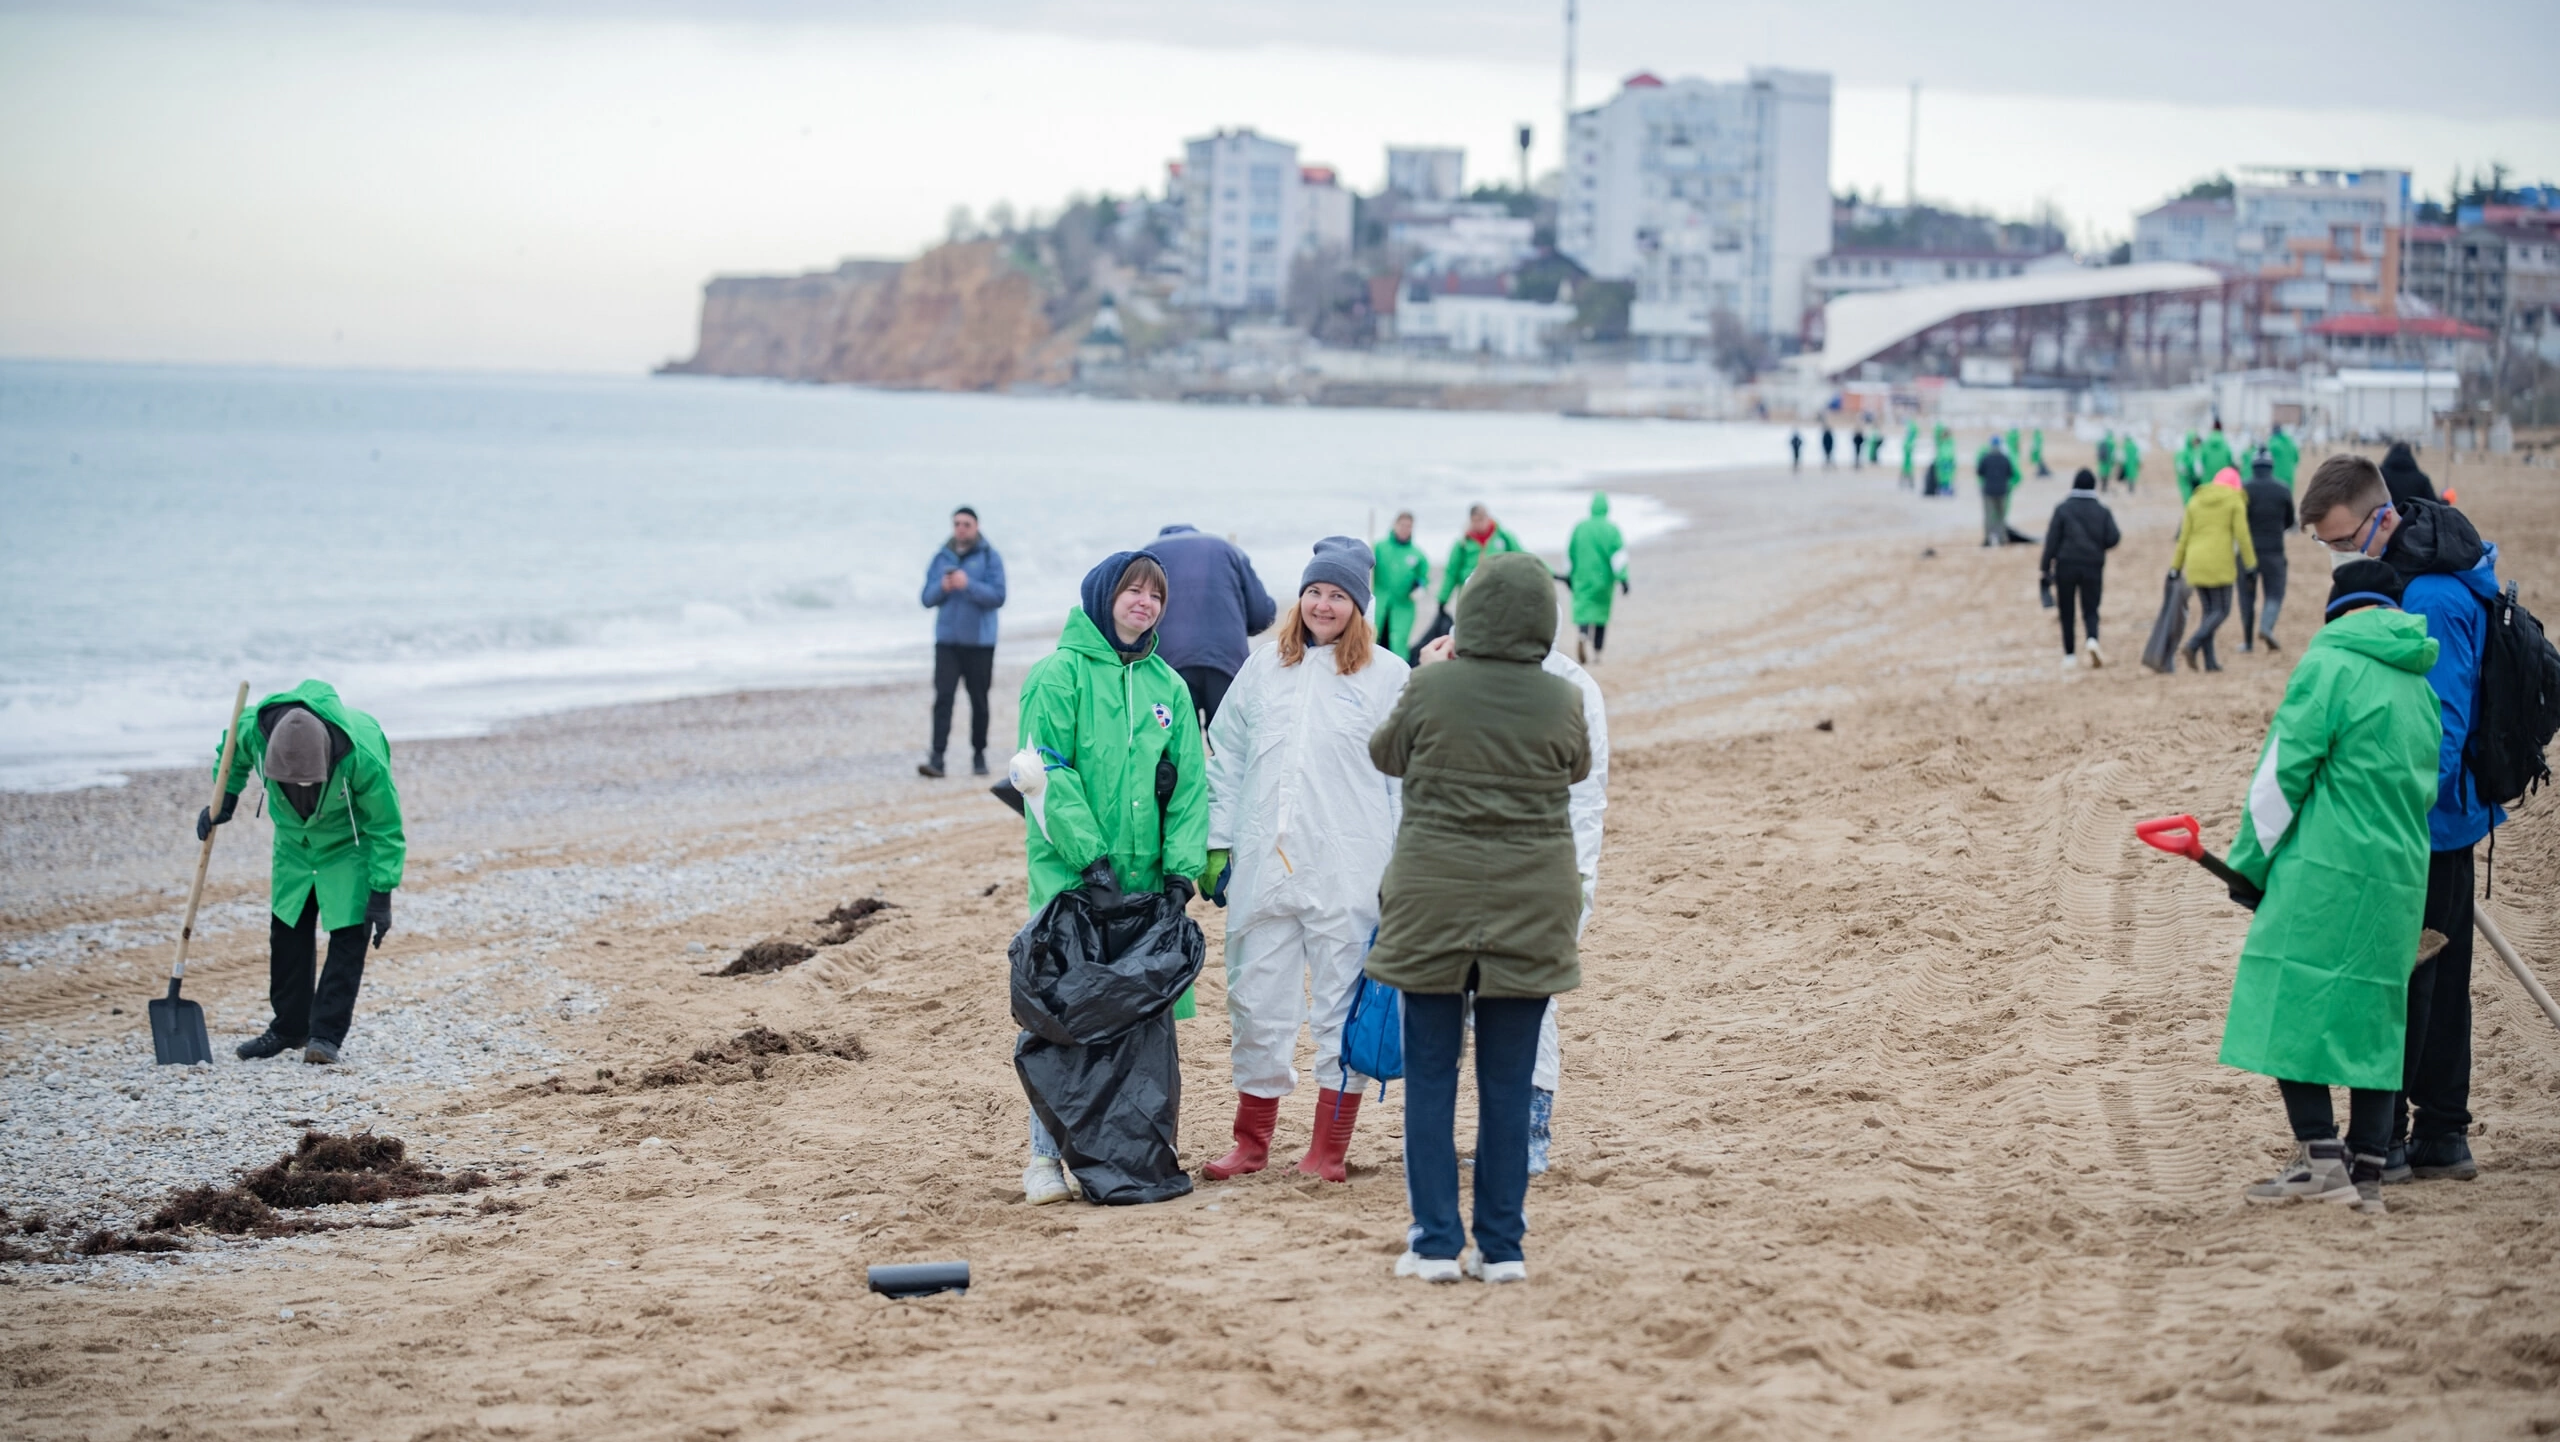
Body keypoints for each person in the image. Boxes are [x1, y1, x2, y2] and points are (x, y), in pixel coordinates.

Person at [1369, 553, 1589, 1284]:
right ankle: (1501, 1248)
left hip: (1433, 900)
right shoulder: (1562, 699)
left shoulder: (1431, 685)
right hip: (1531, 904)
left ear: (1468, 615)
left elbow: (1385, 753)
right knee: (1506, 1078)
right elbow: (1577, 766)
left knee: (1431, 1078)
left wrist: (1431, 667)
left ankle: (1434, 1242)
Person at [2300, 453, 2504, 1185]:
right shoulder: (2418, 574)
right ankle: (2433, 1136)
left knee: (2415, 983)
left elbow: (2439, 729)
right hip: (2429, 819)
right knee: (2430, 978)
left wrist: (2400, 815)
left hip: (2427, 822)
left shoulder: (2433, 596)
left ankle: (2413, 1138)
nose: (2342, 554)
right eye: (2328, 545)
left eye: (2344, 538)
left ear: (2383, 516)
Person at [2224, 559, 2441, 1216]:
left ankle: (2321, 1155)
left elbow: (2280, 777)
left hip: (2326, 870)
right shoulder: (2419, 684)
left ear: (2338, 611)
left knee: (2287, 992)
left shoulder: (2329, 666)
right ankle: (2370, 1164)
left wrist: (2247, 868)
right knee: (2377, 1013)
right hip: (2400, 872)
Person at [1200, 539, 1409, 1185]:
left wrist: (1405, 870)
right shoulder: (1264, 667)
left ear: (1358, 606)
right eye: (1316, 591)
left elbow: (1408, 779)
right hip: (1264, 866)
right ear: (1301, 596)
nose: (1323, 604)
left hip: (1350, 869)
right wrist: (1218, 842)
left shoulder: (1387, 676)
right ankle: (1252, 1141)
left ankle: (1328, 1149)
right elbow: (1227, 755)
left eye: (1338, 595)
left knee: (1341, 1007)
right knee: (1256, 1003)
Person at [1013, 550, 1210, 1205]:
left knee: (1138, 1015)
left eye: (1156, 594)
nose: (1145, 602)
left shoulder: (1168, 688)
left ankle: (1131, 1149)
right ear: (1105, 596)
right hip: (1074, 878)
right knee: (1062, 1012)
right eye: (1133, 590)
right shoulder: (1057, 676)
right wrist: (1089, 858)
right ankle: (1045, 1161)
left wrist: (1181, 873)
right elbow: (1045, 771)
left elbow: (1188, 788)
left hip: (1145, 881)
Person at [199, 681, 406, 1066]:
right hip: (293, 845)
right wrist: (224, 797)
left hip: (348, 843)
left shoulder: (362, 753)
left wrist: (382, 892)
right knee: (288, 929)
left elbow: (385, 826)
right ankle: (289, 1027)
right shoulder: (254, 730)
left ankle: (325, 1036)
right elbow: (230, 752)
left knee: (348, 932)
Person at [1147, 523, 1276, 728]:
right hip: (1227, 662)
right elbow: (1262, 615)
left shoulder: (1147, 554)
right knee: (1230, 749)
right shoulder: (1228, 549)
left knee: (1175, 749)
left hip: (1166, 666)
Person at [918, 505, 1008, 778]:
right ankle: (937, 758)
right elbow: (925, 598)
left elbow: (998, 597)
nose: (960, 528)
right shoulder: (941, 557)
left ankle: (979, 755)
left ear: (976, 527)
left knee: (979, 700)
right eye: (956, 523)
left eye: (966, 524)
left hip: (980, 643)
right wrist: (943, 587)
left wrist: (967, 584)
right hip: (947, 641)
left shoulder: (991, 557)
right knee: (943, 698)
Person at [2170, 466, 2256, 671]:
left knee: (2209, 611)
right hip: (2220, 561)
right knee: (2222, 610)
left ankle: (2210, 663)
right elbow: (2242, 536)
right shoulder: (2235, 500)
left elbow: (2184, 537)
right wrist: (2251, 564)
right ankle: (2192, 644)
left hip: (2196, 561)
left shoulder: (2195, 500)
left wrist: (2175, 566)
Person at [2039, 468, 2121, 670]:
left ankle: (2069, 655)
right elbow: (2114, 537)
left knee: (2066, 611)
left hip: (2065, 565)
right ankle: (2092, 639)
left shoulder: (2063, 509)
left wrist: (2044, 567)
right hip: (2093, 565)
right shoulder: (2102, 510)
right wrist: (2098, 546)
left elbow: (2052, 541)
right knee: (2091, 609)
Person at [2238, 451, 2295, 654]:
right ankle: (2266, 626)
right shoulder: (2282, 489)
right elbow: (2290, 521)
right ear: (2271, 467)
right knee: (2274, 593)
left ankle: (2248, 643)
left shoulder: (2244, 488)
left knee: (2247, 598)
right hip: (2274, 551)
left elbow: (2238, 520)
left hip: (2247, 553)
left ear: (2253, 467)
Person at [1565, 493, 1629, 661]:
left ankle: (1583, 634)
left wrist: (1568, 575)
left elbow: (1570, 553)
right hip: (1603, 578)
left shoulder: (1580, 527)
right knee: (1601, 613)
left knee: (1584, 609)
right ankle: (1598, 652)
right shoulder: (1611, 529)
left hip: (1582, 576)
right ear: (1606, 508)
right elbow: (1618, 557)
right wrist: (1623, 579)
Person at [1437, 503, 1522, 614]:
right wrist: (1442, 599)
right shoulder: (1462, 543)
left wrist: (1548, 571)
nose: (1479, 524)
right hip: (1470, 594)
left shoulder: (1504, 537)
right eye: (1475, 520)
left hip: (1499, 592)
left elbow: (1522, 556)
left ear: (1488, 518)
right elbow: (1451, 573)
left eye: (1481, 519)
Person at [1370, 511, 1431, 657]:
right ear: (1395, 525)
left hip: (1403, 606)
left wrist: (1419, 585)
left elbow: (1424, 577)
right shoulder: (1379, 547)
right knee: (1373, 640)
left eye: (1409, 526)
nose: (1405, 529)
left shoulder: (1417, 554)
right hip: (1380, 602)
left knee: (1398, 642)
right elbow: (1367, 567)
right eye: (1402, 525)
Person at [1976, 435, 2015, 547]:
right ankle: (2002, 538)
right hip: (2002, 492)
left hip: (1988, 492)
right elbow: (2010, 473)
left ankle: (1988, 539)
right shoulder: (2005, 458)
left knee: (1989, 516)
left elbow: (1979, 472)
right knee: (2001, 516)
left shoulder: (1986, 457)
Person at [2379, 440, 2438, 506]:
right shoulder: (2421, 479)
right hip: (2414, 515)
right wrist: (2446, 500)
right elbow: (2434, 505)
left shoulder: (2380, 475)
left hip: (2386, 515)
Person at [2268, 423, 2301, 488]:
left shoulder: (2273, 443)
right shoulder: (2291, 442)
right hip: (2289, 474)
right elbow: (2297, 458)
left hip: (2277, 475)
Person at [2176, 430, 2203, 502]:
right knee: (2188, 500)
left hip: (2196, 480)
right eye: (2194, 440)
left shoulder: (2197, 451)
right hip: (2187, 481)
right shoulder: (2184, 452)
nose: (2195, 442)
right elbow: (2181, 466)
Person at [1899, 420, 1918, 488]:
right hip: (1907, 459)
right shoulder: (1909, 439)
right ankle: (1905, 484)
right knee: (1907, 471)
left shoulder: (1910, 439)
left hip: (1908, 459)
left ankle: (1907, 484)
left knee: (1907, 471)